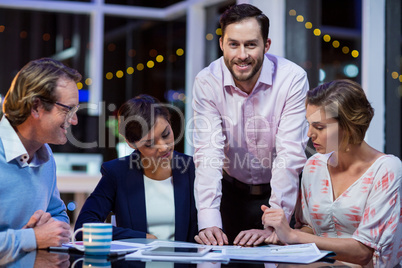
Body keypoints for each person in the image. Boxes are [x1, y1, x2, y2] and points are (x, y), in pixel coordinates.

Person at [192, 3, 309, 246]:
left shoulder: (292, 78)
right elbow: (208, 153)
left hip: (278, 195)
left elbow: (290, 154)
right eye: (233, 44)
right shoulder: (206, 81)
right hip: (229, 193)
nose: (242, 54)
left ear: (266, 45)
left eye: (251, 44)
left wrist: (276, 223)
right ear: (222, 44)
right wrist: (209, 220)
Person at [262, 80, 402, 267]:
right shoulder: (314, 166)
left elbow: (363, 253)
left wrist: (293, 236)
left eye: (319, 127)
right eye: (309, 125)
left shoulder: (386, 169)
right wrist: (281, 234)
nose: (310, 134)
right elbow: (309, 229)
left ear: (349, 126)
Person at [75, 94, 198, 241]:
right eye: (150, 144)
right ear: (131, 143)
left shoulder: (194, 169)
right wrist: (141, 238)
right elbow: (83, 228)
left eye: (166, 134)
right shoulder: (117, 173)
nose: (164, 147)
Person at [0, 58, 81, 257]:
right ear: (36, 107)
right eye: (68, 109)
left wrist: (52, 228)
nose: (75, 120)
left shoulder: (45, 155)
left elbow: (58, 214)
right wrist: (33, 238)